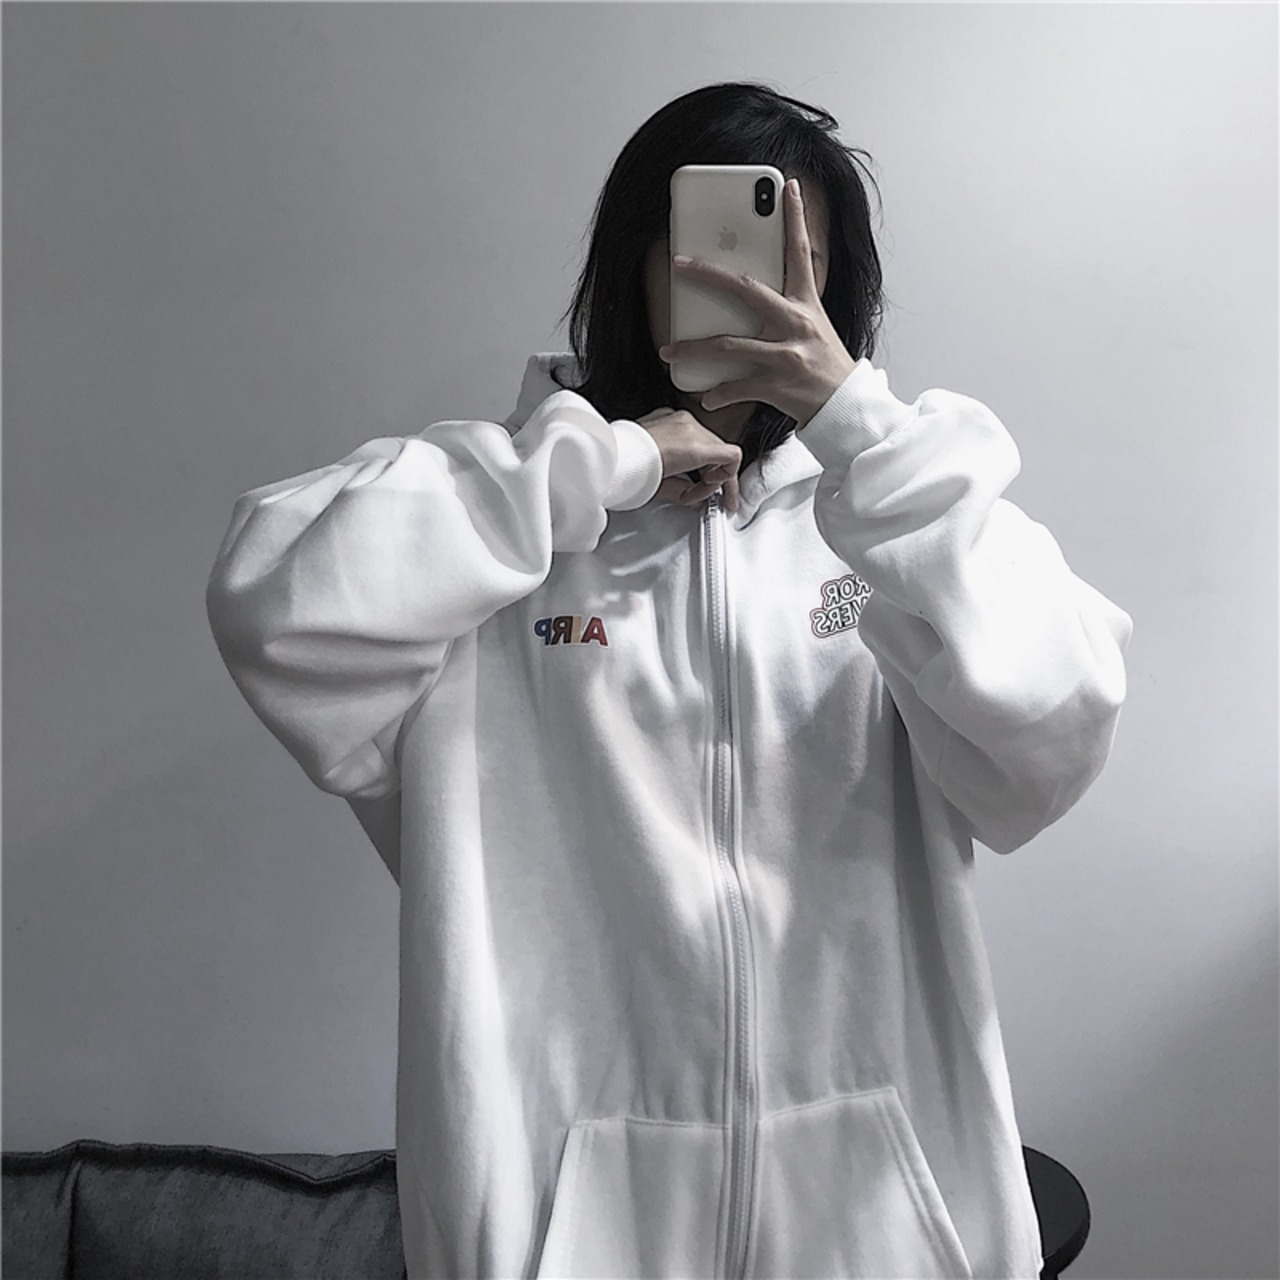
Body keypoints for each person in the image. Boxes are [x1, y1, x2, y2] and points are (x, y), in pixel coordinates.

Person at [206, 81, 1131, 1280]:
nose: (758, 296)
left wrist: (855, 430)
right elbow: (272, 602)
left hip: (877, 1230)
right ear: (633, 268)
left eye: (798, 269)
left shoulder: (894, 525)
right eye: (712, 257)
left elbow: (1051, 733)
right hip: (561, 1232)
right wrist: (606, 463)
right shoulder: (502, 528)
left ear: (840, 295)